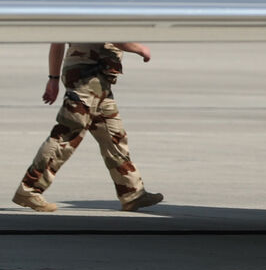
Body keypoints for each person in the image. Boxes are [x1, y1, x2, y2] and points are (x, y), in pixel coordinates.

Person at [13, 43, 164, 213]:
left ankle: (131, 193)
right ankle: (29, 189)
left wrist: (53, 78)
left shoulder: (79, 15)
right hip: (87, 78)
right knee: (67, 134)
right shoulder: (97, 15)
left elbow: (57, 42)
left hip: (96, 79)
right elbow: (111, 32)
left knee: (113, 136)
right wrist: (138, 48)